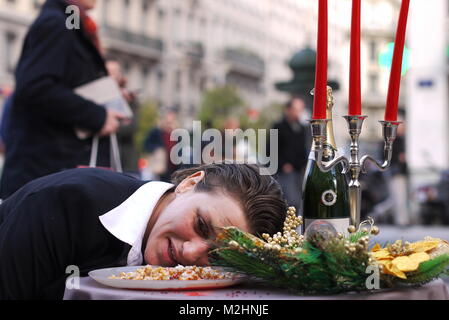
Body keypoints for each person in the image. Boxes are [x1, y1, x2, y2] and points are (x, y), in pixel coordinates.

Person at [0, 163, 287, 300]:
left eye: (218, 255)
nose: (191, 253)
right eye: (201, 225)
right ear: (188, 183)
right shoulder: (65, 204)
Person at [0, 0, 127, 199]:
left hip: (51, 170)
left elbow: (59, 84)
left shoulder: (69, 22)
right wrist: (98, 116)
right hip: (44, 171)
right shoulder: (57, 23)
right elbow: (35, 86)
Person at [272, 96, 310, 210]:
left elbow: (303, 149)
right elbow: (271, 150)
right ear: (288, 110)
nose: (298, 113)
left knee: (299, 201)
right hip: (284, 172)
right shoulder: (278, 127)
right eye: (295, 109)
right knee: (289, 200)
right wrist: (283, 164)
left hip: (299, 171)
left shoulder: (302, 129)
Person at [106, 59, 140, 173]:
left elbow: (131, 127)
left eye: (114, 72)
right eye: (108, 72)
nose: (111, 76)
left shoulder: (130, 99)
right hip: (102, 160)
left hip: (125, 163)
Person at [144, 109, 180, 182]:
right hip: (161, 166)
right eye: (167, 122)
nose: (169, 125)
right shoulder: (156, 132)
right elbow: (146, 144)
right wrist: (157, 149)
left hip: (174, 167)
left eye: (171, 122)